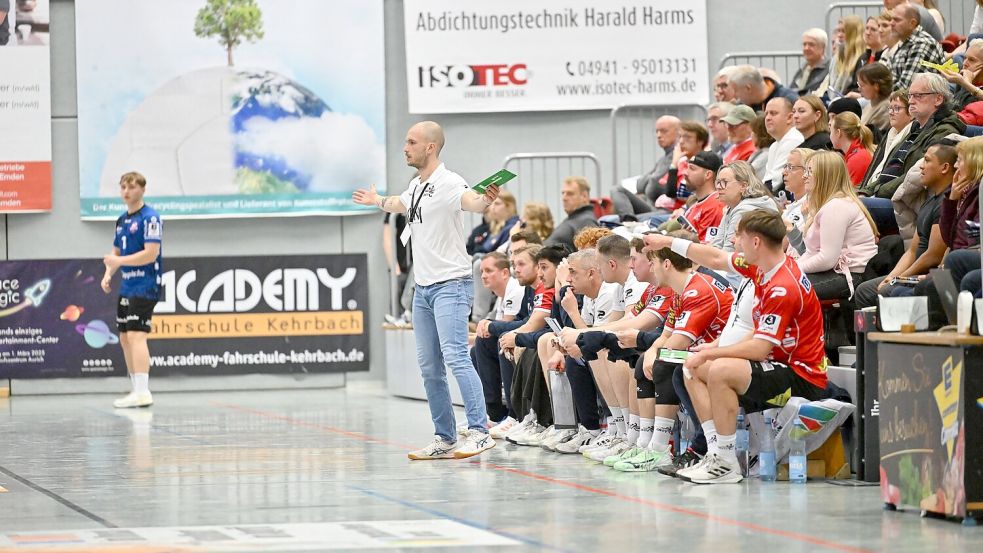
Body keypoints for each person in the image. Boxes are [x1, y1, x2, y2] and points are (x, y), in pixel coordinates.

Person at [642, 210, 828, 484]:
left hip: (802, 375)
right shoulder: (762, 266)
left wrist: (709, 351)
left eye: (739, 236)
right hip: (778, 364)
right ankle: (716, 453)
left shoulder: (782, 286)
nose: (734, 241)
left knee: (719, 370)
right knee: (691, 368)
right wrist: (668, 243)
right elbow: (715, 257)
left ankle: (727, 463)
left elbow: (760, 349)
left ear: (756, 242)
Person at [352, 121, 500, 460]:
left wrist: (486, 200)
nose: (405, 147)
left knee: (456, 357)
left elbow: (472, 201)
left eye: (411, 142)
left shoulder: (449, 182)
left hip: (451, 284)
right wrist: (377, 200)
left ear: (430, 147)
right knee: (429, 367)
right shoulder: (416, 185)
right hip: (424, 290)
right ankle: (445, 437)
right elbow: (400, 204)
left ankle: (480, 431)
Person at [854, 143, 955, 308]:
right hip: (915, 272)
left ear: (944, 168)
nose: (921, 166)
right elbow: (913, 250)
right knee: (865, 290)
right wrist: (893, 276)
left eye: (927, 161)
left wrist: (897, 279)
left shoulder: (947, 203)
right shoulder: (930, 200)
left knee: (881, 291)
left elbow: (933, 255)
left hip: (927, 275)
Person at [101, 172, 163, 409]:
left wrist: (119, 263)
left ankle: (144, 391)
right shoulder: (121, 221)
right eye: (123, 187)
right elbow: (115, 253)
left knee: (137, 335)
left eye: (132, 187)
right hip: (127, 285)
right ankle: (136, 390)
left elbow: (150, 253)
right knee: (125, 337)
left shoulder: (151, 217)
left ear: (142, 190)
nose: (126, 191)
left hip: (146, 283)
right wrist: (108, 274)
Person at [796, 151, 879, 302]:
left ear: (825, 175)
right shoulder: (826, 205)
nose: (804, 176)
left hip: (851, 276)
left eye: (809, 171)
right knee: (780, 283)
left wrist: (792, 269)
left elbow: (827, 259)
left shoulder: (837, 206)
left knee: (788, 289)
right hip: (834, 271)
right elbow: (811, 253)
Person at [472, 251, 529, 424]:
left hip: (524, 338)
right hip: (515, 334)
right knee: (477, 349)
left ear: (504, 273)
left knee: (500, 341)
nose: (483, 276)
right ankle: (492, 411)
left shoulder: (515, 290)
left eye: (488, 271)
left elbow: (503, 327)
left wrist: (486, 326)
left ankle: (510, 412)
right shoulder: (501, 295)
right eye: (482, 271)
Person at [709, 161, 779, 254]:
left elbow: (728, 254)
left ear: (743, 186)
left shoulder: (744, 210)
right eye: (717, 182)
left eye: (724, 182)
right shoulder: (732, 207)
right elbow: (717, 245)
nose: (718, 187)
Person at [886, 3, 944, 91]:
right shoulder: (905, 42)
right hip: (896, 99)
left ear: (912, 23)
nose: (891, 23)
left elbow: (905, 89)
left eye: (897, 20)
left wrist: (879, 91)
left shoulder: (923, 44)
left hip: (911, 101)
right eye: (891, 19)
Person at [763, 97, 805, 190]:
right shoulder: (774, 145)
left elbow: (774, 183)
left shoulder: (793, 139)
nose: (768, 118)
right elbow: (767, 180)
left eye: (773, 113)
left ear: (790, 118)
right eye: (766, 114)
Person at [544, 177, 598, 249]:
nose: (564, 198)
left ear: (584, 196)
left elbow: (590, 255)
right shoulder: (574, 219)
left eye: (570, 193)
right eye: (563, 193)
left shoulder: (585, 221)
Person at [727, 65, 798, 113]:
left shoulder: (789, 101)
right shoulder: (742, 106)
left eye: (735, 90)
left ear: (748, 88)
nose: (734, 96)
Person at [830, 112, 875, 186]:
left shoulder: (858, 158)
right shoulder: (856, 154)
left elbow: (849, 193)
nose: (830, 135)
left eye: (831, 131)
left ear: (838, 132)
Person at [826, 16, 866, 95]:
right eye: (838, 31)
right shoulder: (836, 58)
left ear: (854, 33)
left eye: (844, 31)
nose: (839, 35)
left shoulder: (862, 58)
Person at [940, 40, 983, 110]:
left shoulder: (967, 84)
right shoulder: (964, 80)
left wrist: (966, 84)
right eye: (965, 58)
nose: (964, 63)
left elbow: (958, 111)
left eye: (972, 60)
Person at [782, 148, 816, 231]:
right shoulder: (796, 204)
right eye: (785, 167)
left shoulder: (811, 207)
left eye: (791, 167)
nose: (784, 173)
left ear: (807, 171)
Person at [856, 63, 893, 135]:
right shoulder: (872, 103)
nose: (859, 89)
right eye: (858, 84)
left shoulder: (885, 109)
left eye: (862, 85)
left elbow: (869, 137)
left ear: (876, 86)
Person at [791, 28, 830, 96]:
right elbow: (792, 88)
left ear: (823, 47)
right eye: (804, 44)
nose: (806, 48)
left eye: (811, 44)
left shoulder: (829, 69)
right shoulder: (803, 68)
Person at [748, 114, 773, 181]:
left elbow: (746, 175)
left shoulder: (766, 155)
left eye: (753, 131)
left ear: (759, 134)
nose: (751, 134)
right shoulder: (760, 152)